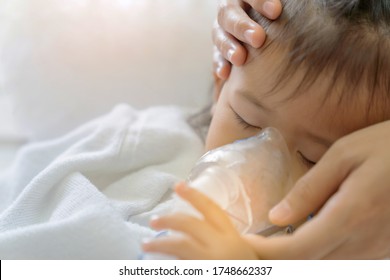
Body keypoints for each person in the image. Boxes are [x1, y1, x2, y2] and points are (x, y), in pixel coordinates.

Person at [142, 0, 390, 259]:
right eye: (246, 119)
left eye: (312, 158)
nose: (258, 170)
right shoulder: (142, 146)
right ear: (220, 85)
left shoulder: (363, 241)